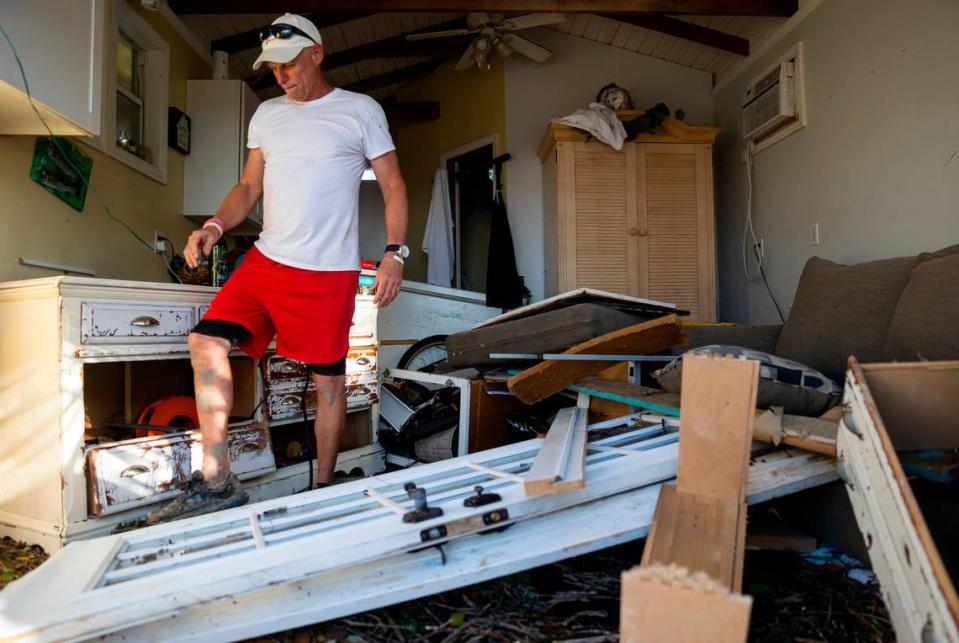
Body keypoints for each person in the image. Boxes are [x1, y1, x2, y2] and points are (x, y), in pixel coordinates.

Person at [146, 13, 409, 524]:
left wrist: (394, 253)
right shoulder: (266, 114)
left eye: (290, 64)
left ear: (317, 54)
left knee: (328, 384)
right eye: (273, 69)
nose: (282, 76)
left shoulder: (360, 111)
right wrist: (215, 226)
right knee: (205, 341)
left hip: (326, 272)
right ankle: (218, 479)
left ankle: (325, 487)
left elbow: (395, 184)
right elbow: (249, 187)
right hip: (266, 260)